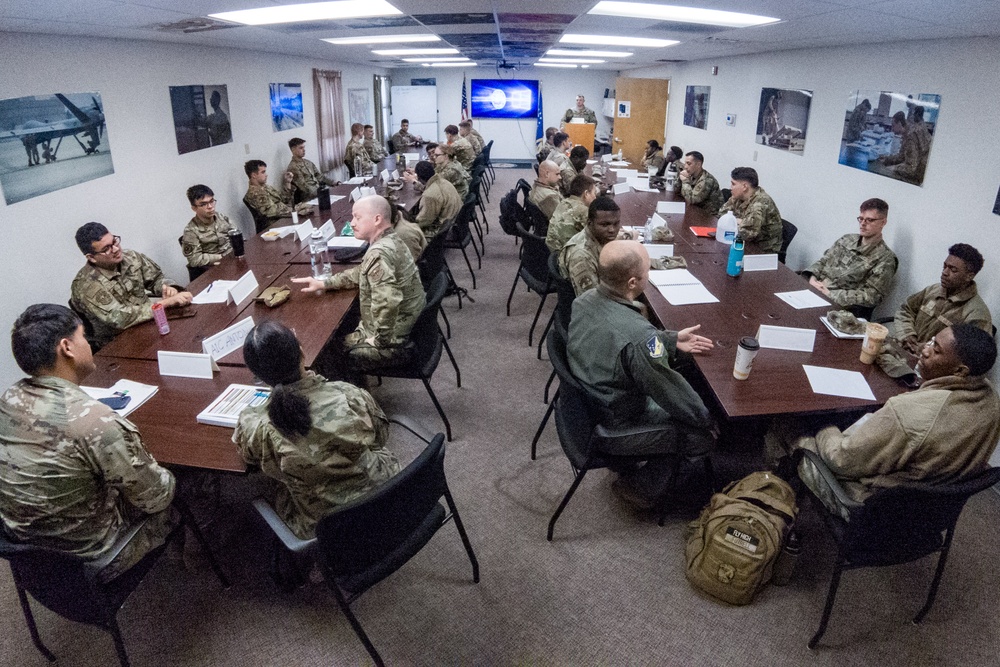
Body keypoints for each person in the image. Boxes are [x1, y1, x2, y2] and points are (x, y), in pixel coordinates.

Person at [0, 304, 175, 582]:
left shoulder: (8, 399)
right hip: (94, 559)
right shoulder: (97, 422)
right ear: (67, 347)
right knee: (183, 482)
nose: (89, 344)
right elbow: (157, 497)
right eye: (84, 336)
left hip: (26, 551)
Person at [769, 324, 1000, 521]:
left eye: (936, 350)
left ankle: (770, 497)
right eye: (930, 341)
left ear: (960, 370)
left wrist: (824, 423)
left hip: (866, 507)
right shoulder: (992, 401)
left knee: (789, 420)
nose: (925, 350)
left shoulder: (909, 413)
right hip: (931, 513)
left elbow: (840, 459)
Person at [568, 241, 715, 507]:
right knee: (702, 435)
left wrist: (668, 340)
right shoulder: (641, 340)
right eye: (648, 271)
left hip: (586, 409)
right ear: (633, 282)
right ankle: (642, 489)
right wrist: (708, 419)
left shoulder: (583, 301)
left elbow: (618, 333)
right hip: (619, 423)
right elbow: (672, 394)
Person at [233, 321, 401, 540]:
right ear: (302, 352)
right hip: (386, 496)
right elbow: (380, 438)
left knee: (273, 486)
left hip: (327, 526)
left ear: (259, 377)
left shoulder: (255, 424)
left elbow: (252, 459)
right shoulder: (349, 394)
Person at [292, 195, 426, 376]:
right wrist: (324, 283)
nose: (352, 223)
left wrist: (379, 340)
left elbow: (388, 302)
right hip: (410, 326)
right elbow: (360, 272)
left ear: (377, 219)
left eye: (358, 217)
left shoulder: (378, 253)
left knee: (323, 354)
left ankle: (352, 397)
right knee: (340, 332)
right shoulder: (392, 239)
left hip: (395, 342)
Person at [70, 223, 192, 349]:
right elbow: (120, 319)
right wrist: (165, 303)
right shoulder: (87, 285)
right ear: (92, 257)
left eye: (114, 242)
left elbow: (156, 279)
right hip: (117, 342)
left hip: (148, 322)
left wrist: (167, 288)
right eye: (107, 249)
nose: (116, 249)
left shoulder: (131, 257)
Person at [878, 244, 992, 378]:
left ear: (969, 276)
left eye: (953, 270)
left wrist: (924, 349)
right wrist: (908, 334)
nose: (945, 272)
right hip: (902, 352)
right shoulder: (934, 290)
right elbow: (906, 309)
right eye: (945, 266)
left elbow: (971, 360)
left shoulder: (976, 314)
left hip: (930, 371)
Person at [560, 197, 686, 295]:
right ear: (590, 223)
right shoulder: (581, 255)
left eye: (616, 223)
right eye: (605, 224)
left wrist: (661, 263)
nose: (612, 230)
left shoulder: (600, 237)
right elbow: (591, 303)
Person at [802, 198, 898, 315]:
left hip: (840, 308)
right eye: (861, 219)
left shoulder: (885, 259)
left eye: (870, 220)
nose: (863, 224)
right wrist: (812, 278)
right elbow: (824, 260)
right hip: (814, 290)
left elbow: (872, 296)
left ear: (883, 222)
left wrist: (830, 294)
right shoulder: (847, 239)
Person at [718, 167, 783, 253]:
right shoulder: (738, 197)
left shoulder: (760, 203)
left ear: (744, 186)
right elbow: (721, 214)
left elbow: (746, 233)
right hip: (745, 243)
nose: (731, 188)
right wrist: (738, 221)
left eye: (733, 184)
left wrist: (734, 221)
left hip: (763, 251)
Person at [181, 184, 236, 279]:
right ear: (194, 208)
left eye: (212, 201)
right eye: (203, 204)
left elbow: (236, 235)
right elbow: (195, 260)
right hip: (214, 269)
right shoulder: (191, 231)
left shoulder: (222, 217)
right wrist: (221, 257)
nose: (210, 207)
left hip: (234, 260)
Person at [244, 159, 311, 226]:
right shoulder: (254, 193)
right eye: (263, 172)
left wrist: (287, 183)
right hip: (275, 224)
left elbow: (284, 200)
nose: (266, 175)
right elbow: (272, 212)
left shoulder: (265, 187)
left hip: (284, 218)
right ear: (254, 175)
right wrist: (295, 209)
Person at [407, 160, 462, 241]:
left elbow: (424, 221)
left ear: (418, 177)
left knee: (404, 233)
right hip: (453, 221)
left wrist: (406, 225)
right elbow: (430, 189)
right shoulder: (443, 181)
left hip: (441, 230)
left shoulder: (429, 195)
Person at [546, 174, 598, 253]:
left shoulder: (563, 202)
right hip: (565, 255)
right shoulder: (582, 210)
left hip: (553, 249)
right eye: (594, 193)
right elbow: (599, 235)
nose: (595, 197)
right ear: (586, 194)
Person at [878, 108, 932, 183]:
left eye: (893, 125)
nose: (892, 129)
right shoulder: (908, 131)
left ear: (899, 123)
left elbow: (911, 167)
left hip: (920, 175)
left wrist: (893, 168)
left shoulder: (911, 136)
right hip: (922, 168)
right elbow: (902, 156)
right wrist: (887, 159)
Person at [285, 137, 338, 202]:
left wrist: (334, 183)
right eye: (301, 148)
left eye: (304, 147)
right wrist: (322, 193)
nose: (304, 150)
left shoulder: (308, 162)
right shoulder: (293, 167)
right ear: (293, 150)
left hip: (319, 193)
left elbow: (320, 176)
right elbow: (304, 187)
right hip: (309, 198)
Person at [673, 151, 724, 217]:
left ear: (698, 164)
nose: (685, 167)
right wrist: (680, 178)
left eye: (689, 164)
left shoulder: (707, 180)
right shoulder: (690, 174)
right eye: (685, 163)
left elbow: (692, 200)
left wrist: (685, 181)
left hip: (709, 217)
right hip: (695, 211)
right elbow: (676, 191)